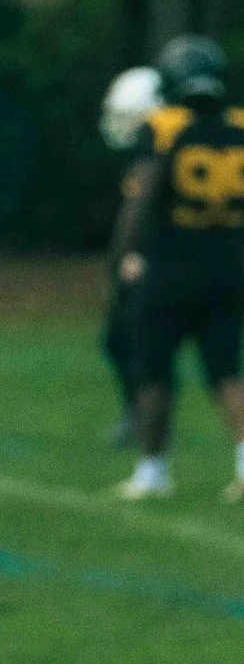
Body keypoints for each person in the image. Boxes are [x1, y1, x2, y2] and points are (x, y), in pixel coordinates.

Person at [108, 35, 244, 500]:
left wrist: (125, 252)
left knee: (154, 372)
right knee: (226, 370)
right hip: (229, 267)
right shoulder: (241, 126)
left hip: (169, 269)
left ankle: (152, 471)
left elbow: (142, 195)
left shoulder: (164, 126)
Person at [100, 66, 165, 446]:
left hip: (149, 266)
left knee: (139, 346)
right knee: (117, 341)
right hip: (133, 264)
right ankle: (136, 415)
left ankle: (146, 421)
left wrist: (141, 253)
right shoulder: (142, 155)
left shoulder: (160, 154)